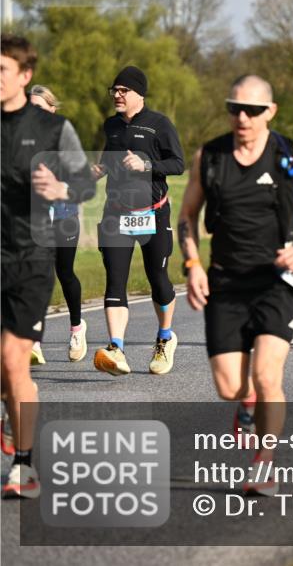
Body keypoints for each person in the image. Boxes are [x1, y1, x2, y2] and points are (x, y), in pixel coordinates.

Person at [178, 74, 293, 495]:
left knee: (268, 375)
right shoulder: (210, 156)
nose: (242, 118)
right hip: (225, 282)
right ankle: (245, 404)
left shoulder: (290, 154)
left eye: (251, 110)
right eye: (234, 108)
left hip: (277, 280)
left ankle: (265, 463)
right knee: (230, 386)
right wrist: (193, 264)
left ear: (270, 112)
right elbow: (186, 216)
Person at [1, 34, 95, 498]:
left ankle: (24, 464)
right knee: (5, 372)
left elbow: (84, 181)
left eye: (1, 69)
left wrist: (62, 191)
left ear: (24, 75)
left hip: (30, 258)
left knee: (13, 359)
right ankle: (10, 411)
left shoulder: (54, 128)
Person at [92, 66, 185, 376]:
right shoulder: (112, 125)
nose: (117, 95)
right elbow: (109, 157)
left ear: (138, 94)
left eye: (123, 91)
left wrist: (146, 163)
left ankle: (165, 338)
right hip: (116, 212)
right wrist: (98, 169)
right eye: (114, 90)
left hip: (153, 212)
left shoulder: (160, 124)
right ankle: (116, 348)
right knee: (115, 279)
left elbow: (178, 164)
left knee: (157, 279)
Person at [27, 85, 88, 366]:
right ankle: (35, 343)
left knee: (64, 272)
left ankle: (77, 328)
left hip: (65, 216)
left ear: (53, 109)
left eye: (38, 107)